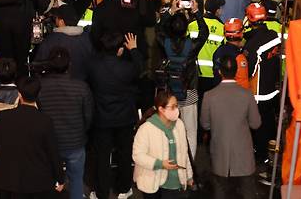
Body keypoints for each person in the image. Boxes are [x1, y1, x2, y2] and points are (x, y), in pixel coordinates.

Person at [0, 76, 65, 198]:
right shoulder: (45, 121)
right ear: (38, 95)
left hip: (7, 178)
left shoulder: (4, 117)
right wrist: (60, 178)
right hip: (36, 180)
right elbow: (53, 151)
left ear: (19, 95)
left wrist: (2, 146)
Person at [87, 33, 143, 199]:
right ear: (120, 50)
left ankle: (101, 192)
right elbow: (140, 67)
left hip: (102, 119)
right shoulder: (127, 68)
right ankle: (124, 189)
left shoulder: (93, 67)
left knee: (101, 157)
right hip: (124, 119)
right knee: (124, 154)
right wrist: (133, 50)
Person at [201, 56, 261, 199]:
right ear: (237, 71)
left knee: (220, 192)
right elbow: (255, 123)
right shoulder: (247, 95)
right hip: (243, 156)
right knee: (248, 192)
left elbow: (205, 124)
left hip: (220, 155)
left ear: (220, 72)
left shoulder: (209, 96)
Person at [37, 48, 93, 199]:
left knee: (48, 182)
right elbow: (88, 116)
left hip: (49, 143)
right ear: (69, 64)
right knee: (76, 180)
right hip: (75, 141)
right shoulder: (81, 87)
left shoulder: (40, 86)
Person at [158, 0, 208, 160]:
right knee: (190, 132)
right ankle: (188, 164)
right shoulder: (191, 46)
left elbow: (159, 29)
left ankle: (168, 160)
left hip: (169, 92)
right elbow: (204, 33)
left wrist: (170, 11)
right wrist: (196, 12)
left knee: (168, 129)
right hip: (189, 92)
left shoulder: (164, 43)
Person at [243, 2, 281, 173]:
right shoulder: (274, 35)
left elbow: (248, 71)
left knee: (258, 127)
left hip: (258, 94)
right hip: (273, 89)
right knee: (269, 124)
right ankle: (272, 153)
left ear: (249, 19)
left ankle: (262, 158)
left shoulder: (251, 45)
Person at [133, 91, 194, 198]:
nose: (177, 110)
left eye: (177, 106)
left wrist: (189, 176)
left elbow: (184, 153)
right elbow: (137, 155)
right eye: (173, 107)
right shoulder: (146, 129)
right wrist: (160, 164)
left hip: (176, 183)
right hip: (153, 183)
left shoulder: (179, 124)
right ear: (161, 109)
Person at [34, 5, 93, 80]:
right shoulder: (87, 39)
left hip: (55, 86)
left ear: (61, 21)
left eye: (56, 19)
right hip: (82, 85)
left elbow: (38, 66)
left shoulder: (51, 40)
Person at [211, 18, 250, 89]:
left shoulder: (218, 51)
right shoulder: (239, 57)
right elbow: (243, 84)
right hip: (235, 96)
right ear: (241, 34)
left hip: (218, 93)